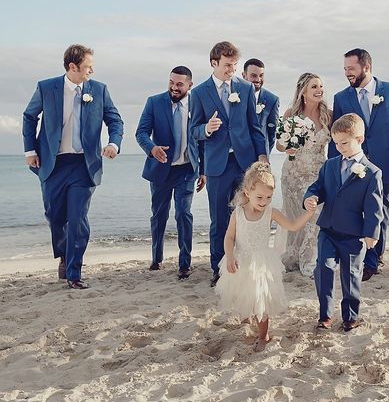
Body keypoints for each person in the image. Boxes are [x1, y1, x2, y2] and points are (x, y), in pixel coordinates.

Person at [22, 44, 124, 289]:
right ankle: (65, 255)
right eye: (88, 66)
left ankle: (74, 273)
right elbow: (29, 116)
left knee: (78, 218)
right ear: (72, 67)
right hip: (53, 163)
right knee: (55, 216)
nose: (92, 70)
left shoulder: (99, 90)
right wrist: (30, 151)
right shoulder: (46, 87)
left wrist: (113, 144)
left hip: (83, 164)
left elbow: (115, 119)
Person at [189, 41, 268, 287]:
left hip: (245, 163)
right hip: (217, 165)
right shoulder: (199, 92)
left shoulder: (245, 89)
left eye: (234, 65)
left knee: (247, 215)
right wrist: (206, 129)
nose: (231, 70)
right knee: (219, 219)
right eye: (226, 65)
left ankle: (245, 263)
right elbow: (193, 131)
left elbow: (254, 126)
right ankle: (219, 268)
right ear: (214, 63)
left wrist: (262, 156)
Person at [329, 48, 389, 281]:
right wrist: (334, 167)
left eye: (351, 69)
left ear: (366, 67)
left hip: (384, 162)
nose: (348, 73)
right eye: (345, 69)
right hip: (354, 164)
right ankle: (357, 255)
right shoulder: (341, 98)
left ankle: (374, 259)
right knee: (355, 211)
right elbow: (337, 136)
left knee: (380, 210)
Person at [216, 162, 315, 352]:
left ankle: (264, 335)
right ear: (247, 192)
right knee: (243, 295)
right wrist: (229, 256)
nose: (264, 202)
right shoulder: (238, 213)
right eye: (259, 197)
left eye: (268, 197)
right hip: (240, 260)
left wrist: (309, 213)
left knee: (261, 298)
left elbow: (293, 225)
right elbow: (229, 237)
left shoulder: (271, 213)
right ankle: (249, 317)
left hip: (262, 263)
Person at [304, 113, 384, 332]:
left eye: (344, 143)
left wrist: (372, 233)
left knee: (351, 275)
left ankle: (350, 316)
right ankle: (325, 315)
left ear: (359, 139)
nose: (340, 147)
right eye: (336, 143)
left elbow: (374, 207)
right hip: (328, 229)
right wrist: (310, 197)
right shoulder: (329, 166)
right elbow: (317, 187)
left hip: (353, 234)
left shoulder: (372, 173)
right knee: (324, 268)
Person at [135, 66, 206, 279]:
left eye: (179, 84)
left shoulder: (198, 104)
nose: (174, 88)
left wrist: (204, 170)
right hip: (161, 169)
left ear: (189, 85)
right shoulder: (154, 102)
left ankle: (185, 263)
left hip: (187, 170)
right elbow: (141, 132)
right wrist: (152, 148)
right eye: (172, 83)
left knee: (183, 214)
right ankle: (156, 258)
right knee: (159, 215)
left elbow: (202, 140)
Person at [277, 73, 332, 276]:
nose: (320, 90)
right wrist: (288, 147)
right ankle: (293, 256)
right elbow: (280, 145)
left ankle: (310, 258)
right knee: (295, 217)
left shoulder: (328, 114)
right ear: (303, 92)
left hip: (317, 175)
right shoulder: (291, 114)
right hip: (292, 174)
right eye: (314, 87)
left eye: (321, 86)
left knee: (314, 214)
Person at [242, 58, 279, 154]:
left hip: (260, 157)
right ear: (244, 76)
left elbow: (272, 134)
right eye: (254, 76)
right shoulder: (234, 96)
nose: (258, 80)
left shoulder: (272, 100)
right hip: (236, 157)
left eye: (261, 76)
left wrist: (264, 153)